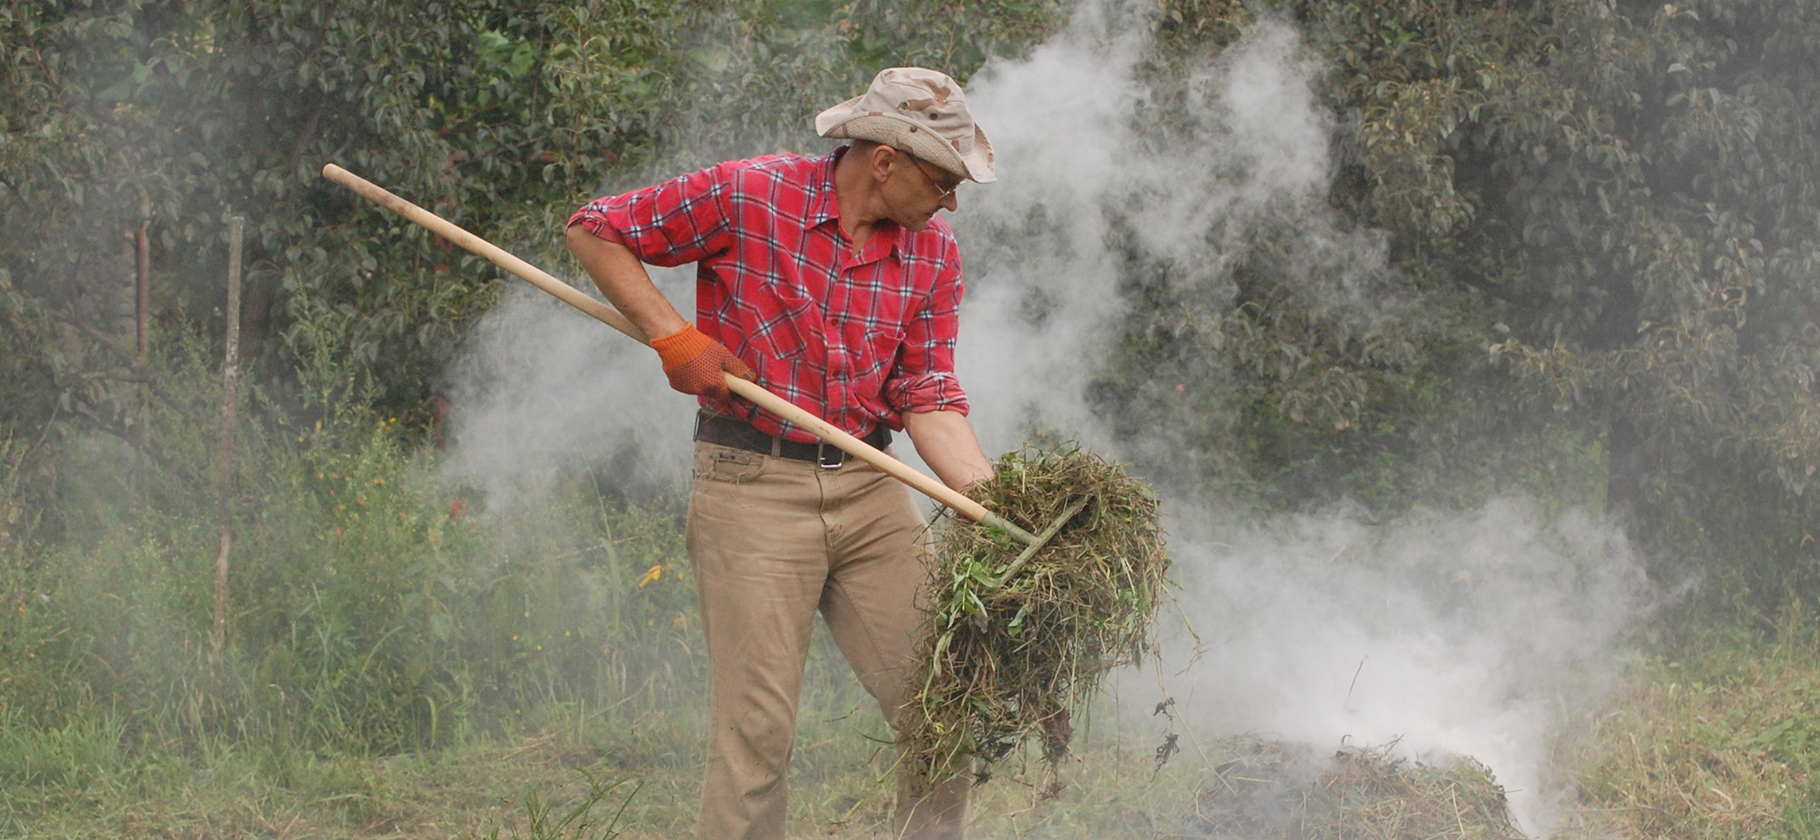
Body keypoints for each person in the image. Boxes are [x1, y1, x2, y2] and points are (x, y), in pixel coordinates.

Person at [565, 67, 997, 840]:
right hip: (751, 484)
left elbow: (929, 396)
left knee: (945, 705)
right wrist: (676, 336)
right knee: (757, 735)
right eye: (944, 179)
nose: (952, 200)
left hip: (868, 488)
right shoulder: (752, 194)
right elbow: (595, 228)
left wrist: (994, 500)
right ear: (885, 161)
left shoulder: (933, 255)